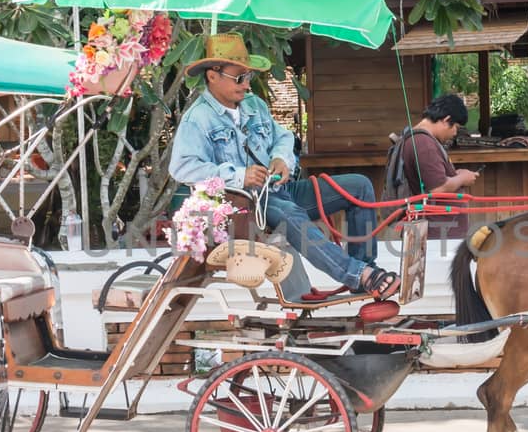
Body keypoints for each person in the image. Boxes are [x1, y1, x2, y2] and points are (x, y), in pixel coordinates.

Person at [170, 33, 397, 298]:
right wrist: (239, 176)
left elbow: (284, 137)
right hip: (247, 205)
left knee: (359, 186)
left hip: (280, 190)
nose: (246, 85)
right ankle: (359, 274)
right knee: (290, 212)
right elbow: (183, 168)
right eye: (239, 78)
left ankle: (365, 272)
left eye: (248, 77)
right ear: (212, 76)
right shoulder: (197, 119)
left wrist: (281, 159)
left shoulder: (254, 104)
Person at [384, 93, 478, 238]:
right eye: (456, 127)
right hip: (438, 234)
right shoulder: (424, 144)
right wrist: (463, 178)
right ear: (446, 120)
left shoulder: (417, 139)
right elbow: (438, 188)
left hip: (437, 230)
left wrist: (456, 175)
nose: (455, 133)